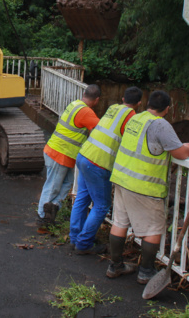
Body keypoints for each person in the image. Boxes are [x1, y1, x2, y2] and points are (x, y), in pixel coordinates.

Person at [106, 90, 189, 284]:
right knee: (154, 228)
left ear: (147, 105)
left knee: (120, 222)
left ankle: (115, 265)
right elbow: (179, 153)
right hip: (144, 186)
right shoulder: (161, 125)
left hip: (122, 178)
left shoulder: (136, 119)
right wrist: (186, 148)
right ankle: (146, 271)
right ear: (168, 109)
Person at [69, 86, 143, 255]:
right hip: (99, 163)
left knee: (82, 198)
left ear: (123, 99)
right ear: (138, 103)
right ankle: (84, 243)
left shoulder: (112, 108)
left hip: (84, 155)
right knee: (102, 206)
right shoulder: (131, 117)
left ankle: (75, 238)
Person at [36, 84, 101, 234]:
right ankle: (42, 216)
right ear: (97, 100)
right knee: (53, 186)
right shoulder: (86, 112)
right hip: (60, 154)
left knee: (66, 184)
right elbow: (101, 132)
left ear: (84, 93)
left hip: (61, 153)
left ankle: (51, 211)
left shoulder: (75, 104)